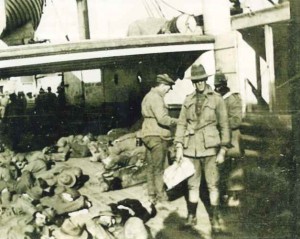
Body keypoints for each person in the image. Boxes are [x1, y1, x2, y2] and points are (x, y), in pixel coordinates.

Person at [174, 64, 230, 234]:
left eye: (201, 80)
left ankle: (215, 218)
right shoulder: (188, 100)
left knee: (213, 185)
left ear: (206, 79)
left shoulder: (216, 99)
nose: (199, 84)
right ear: (193, 82)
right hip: (191, 150)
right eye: (196, 81)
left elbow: (224, 125)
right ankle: (192, 217)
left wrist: (223, 150)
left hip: (211, 149)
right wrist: (178, 146)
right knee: (192, 185)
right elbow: (182, 123)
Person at [141, 74, 178, 204]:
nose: (169, 90)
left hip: (147, 135)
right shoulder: (156, 98)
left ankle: (152, 195)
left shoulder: (148, 96)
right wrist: (178, 121)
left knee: (150, 167)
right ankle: (161, 196)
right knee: (160, 168)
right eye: (168, 87)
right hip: (157, 136)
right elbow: (163, 119)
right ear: (162, 85)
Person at [214, 72, 243, 207]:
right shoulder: (217, 99)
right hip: (221, 138)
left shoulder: (233, 99)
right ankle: (225, 193)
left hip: (233, 138)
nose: (217, 89)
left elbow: (237, 120)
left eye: (219, 86)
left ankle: (234, 196)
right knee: (222, 168)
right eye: (216, 87)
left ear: (225, 85)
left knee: (234, 167)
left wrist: (221, 122)